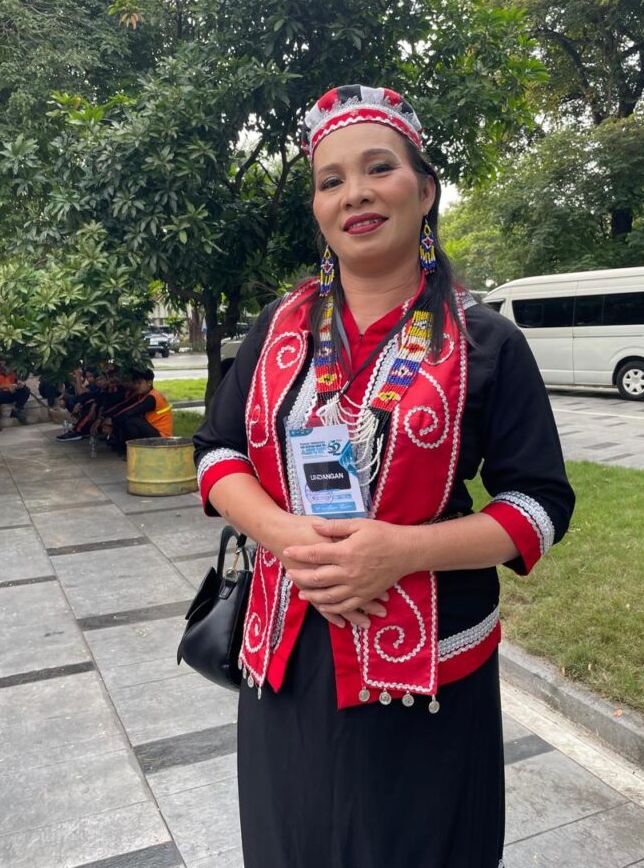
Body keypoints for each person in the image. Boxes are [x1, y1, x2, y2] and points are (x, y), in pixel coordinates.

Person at [193, 85, 575, 868]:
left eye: (378, 169)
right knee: (292, 843)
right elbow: (218, 453)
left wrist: (400, 551)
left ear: (425, 190)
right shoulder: (277, 328)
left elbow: (539, 504)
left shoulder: (483, 341)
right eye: (330, 180)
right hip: (287, 653)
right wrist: (286, 536)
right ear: (317, 207)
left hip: (427, 670)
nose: (355, 194)